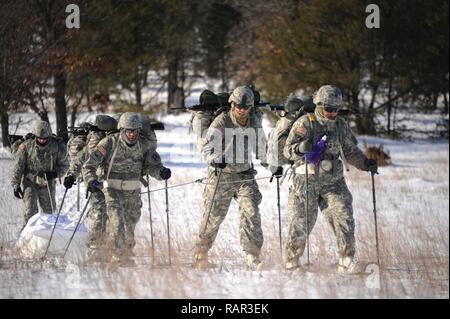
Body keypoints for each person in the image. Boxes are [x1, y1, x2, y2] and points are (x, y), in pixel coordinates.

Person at [283, 85, 378, 272]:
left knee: (343, 215)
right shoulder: (305, 123)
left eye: (336, 109)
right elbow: (287, 151)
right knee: (301, 222)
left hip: (333, 182)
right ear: (319, 105)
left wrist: (365, 163)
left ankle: (346, 259)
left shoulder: (341, 125)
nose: (332, 113)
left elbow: (350, 151)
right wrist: (300, 148)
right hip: (305, 182)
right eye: (328, 109)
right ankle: (292, 260)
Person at [193, 86, 282, 270]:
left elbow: (261, 148)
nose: (242, 110)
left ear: (250, 107)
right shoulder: (221, 122)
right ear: (232, 105)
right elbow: (207, 148)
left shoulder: (253, 122)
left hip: (245, 176)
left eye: (246, 107)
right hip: (221, 175)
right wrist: (215, 160)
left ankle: (252, 255)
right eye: (238, 106)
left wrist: (273, 167)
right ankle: (200, 253)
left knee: (251, 212)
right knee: (213, 217)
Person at [82, 112, 171, 264]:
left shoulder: (143, 145)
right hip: (112, 189)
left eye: (134, 130)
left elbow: (153, 166)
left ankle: (126, 252)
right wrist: (91, 181)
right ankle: (117, 257)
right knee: (117, 223)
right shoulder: (109, 143)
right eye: (128, 131)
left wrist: (161, 172)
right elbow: (88, 165)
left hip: (133, 191)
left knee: (130, 225)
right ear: (121, 130)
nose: (131, 134)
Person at [64, 115, 117, 257]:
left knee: (115, 216)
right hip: (97, 184)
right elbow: (81, 158)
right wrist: (71, 175)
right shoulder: (95, 145)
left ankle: (113, 247)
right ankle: (95, 248)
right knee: (99, 214)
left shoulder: (116, 141)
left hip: (115, 185)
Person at [11, 120, 69, 229]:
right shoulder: (27, 146)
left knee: (49, 213)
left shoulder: (57, 146)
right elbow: (18, 165)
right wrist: (16, 184)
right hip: (30, 182)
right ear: (35, 136)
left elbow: (65, 165)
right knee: (29, 212)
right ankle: (27, 238)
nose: (42, 140)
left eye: (45, 138)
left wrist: (54, 174)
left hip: (47, 183)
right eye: (39, 138)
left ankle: (47, 238)